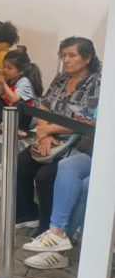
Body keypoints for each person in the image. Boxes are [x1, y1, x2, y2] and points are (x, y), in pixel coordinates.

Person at [16, 37, 101, 233]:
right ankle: (28, 214)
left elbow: (86, 120)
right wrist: (44, 134)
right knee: (21, 163)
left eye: (72, 55)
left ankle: (49, 230)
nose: (66, 60)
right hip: (50, 137)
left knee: (45, 177)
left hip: (77, 144)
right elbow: (44, 105)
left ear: (87, 58)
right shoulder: (61, 78)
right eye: (63, 56)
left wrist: (49, 130)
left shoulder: (96, 83)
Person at [22, 111, 97, 270]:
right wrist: (89, 120)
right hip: (98, 153)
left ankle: (59, 253)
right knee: (67, 166)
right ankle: (57, 233)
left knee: (88, 185)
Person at [0, 46, 43, 131]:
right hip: (14, 114)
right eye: (4, 67)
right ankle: (2, 125)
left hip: (27, 119)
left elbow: (14, 99)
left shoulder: (24, 81)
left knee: (19, 104)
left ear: (21, 71)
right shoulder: (7, 80)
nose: (5, 70)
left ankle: (16, 128)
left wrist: (3, 83)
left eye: (9, 68)